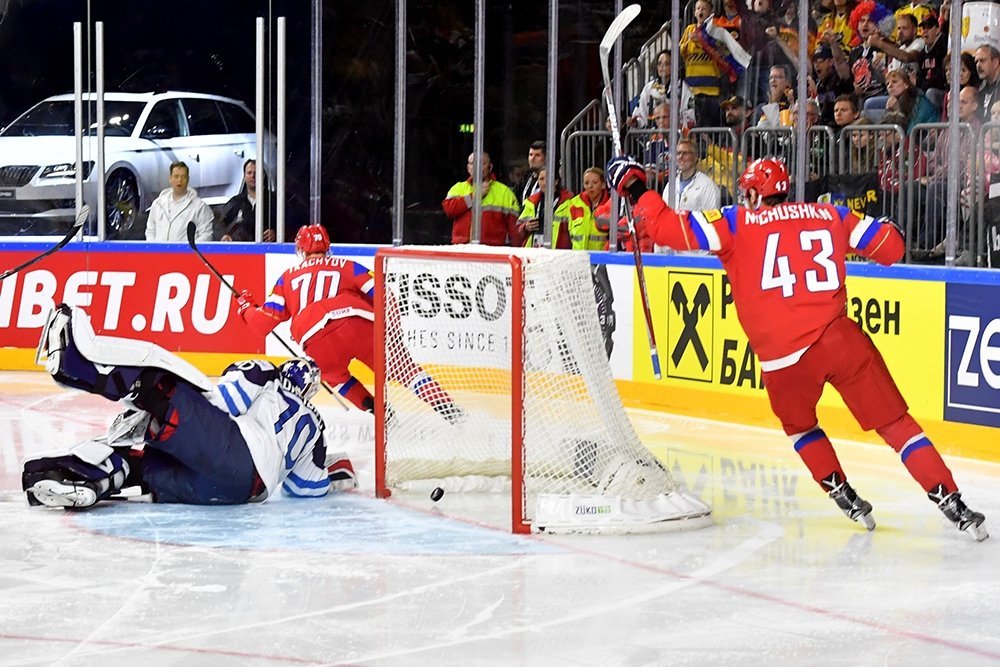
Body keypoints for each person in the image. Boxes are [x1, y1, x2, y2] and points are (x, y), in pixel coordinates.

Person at [604, 154, 988, 540]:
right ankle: (950, 499)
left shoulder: (735, 221)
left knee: (801, 426)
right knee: (896, 425)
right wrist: (888, 226)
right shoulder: (830, 216)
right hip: (838, 340)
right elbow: (891, 248)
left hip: (781, 360)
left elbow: (669, 230)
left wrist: (635, 187)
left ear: (754, 193)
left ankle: (840, 490)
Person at [22, 304, 357, 509]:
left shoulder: (265, 373)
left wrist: (176, 407)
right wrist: (336, 469)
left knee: (161, 391)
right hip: (241, 494)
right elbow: (306, 488)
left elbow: (225, 400)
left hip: (234, 452)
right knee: (141, 464)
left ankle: (79, 366)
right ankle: (79, 480)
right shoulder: (314, 427)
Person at [237, 223, 463, 424]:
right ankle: (451, 411)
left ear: (301, 250)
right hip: (358, 323)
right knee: (406, 371)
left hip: (315, 339)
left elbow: (264, 323)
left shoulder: (286, 278)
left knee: (336, 377)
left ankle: (382, 414)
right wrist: (391, 329)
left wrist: (246, 307)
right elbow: (382, 293)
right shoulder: (346, 265)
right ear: (327, 248)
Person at [442, 151, 521, 246]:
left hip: (493, 252)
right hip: (462, 250)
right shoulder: (458, 188)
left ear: (490, 167)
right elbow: (449, 210)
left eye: (482, 163)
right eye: (473, 163)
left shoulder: (504, 192)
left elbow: (515, 230)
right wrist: (475, 196)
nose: (477, 167)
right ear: (468, 168)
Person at [145, 161, 214, 242]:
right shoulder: (158, 204)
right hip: (158, 253)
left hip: (186, 254)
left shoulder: (200, 207)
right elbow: (150, 231)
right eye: (176, 176)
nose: (180, 180)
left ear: (188, 179)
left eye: (183, 177)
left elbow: (206, 234)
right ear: (170, 179)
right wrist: (153, 249)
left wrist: (189, 251)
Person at [516, 166, 575, 249]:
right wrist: (525, 227)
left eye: (548, 178)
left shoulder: (569, 202)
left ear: (556, 181)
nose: (544, 183)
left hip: (559, 253)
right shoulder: (532, 202)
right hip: (534, 251)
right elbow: (518, 228)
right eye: (541, 179)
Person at [219, 159, 277, 242]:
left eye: (256, 173)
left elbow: (288, 225)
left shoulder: (275, 200)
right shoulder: (236, 201)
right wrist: (224, 235)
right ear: (244, 176)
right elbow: (218, 222)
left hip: (267, 250)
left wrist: (276, 233)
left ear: (263, 175)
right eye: (249, 173)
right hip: (240, 251)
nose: (253, 176)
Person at [514, 140, 547, 205]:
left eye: (537, 155)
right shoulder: (526, 178)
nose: (532, 158)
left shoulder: (549, 180)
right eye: (530, 155)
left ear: (546, 158)